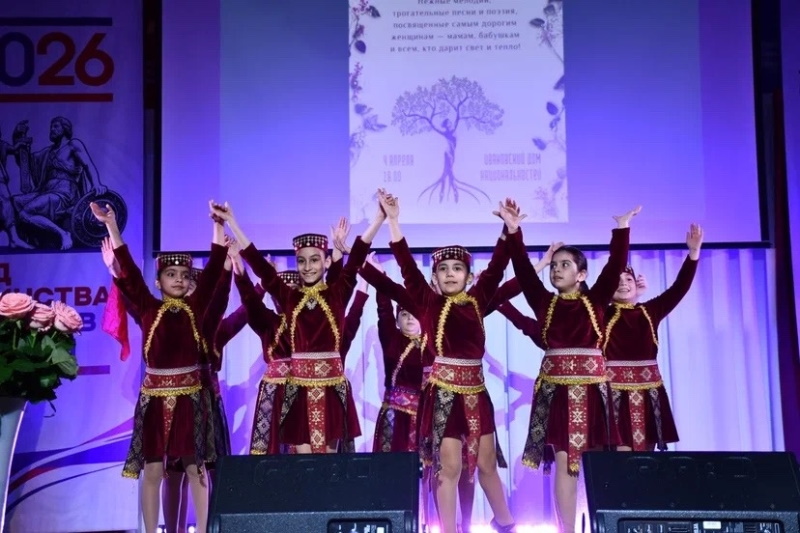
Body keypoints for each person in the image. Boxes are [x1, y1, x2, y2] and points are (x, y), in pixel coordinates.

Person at [377, 190, 520, 533]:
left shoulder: (477, 299)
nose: (451, 274)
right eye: (443, 269)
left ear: (469, 276)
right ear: (435, 277)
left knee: (486, 465)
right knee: (449, 468)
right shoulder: (428, 303)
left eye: (458, 268)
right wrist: (393, 221)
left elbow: (498, 267)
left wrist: (509, 230)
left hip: (476, 393)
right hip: (443, 395)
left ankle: (505, 524)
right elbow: (407, 267)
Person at [91, 200, 226, 533]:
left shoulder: (197, 306)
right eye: (171, 274)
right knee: (153, 470)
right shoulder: (148, 307)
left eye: (184, 275)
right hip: (154, 400)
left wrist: (218, 224)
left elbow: (214, 269)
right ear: (158, 280)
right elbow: (129, 272)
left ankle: (204, 530)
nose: (179, 280)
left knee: (195, 468)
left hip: (191, 400)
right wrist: (112, 226)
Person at [210, 198, 385, 453]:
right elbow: (261, 268)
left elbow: (356, 258)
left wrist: (379, 219)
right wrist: (233, 223)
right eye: (301, 261)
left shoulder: (337, 293)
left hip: (331, 388)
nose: (307, 267)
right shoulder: (289, 297)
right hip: (299, 390)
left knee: (328, 466)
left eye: (314, 260)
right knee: (303, 465)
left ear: (326, 262)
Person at [507, 205, 641, 533]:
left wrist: (622, 228)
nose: (556, 270)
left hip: (594, 393)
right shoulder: (544, 302)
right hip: (557, 394)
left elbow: (614, 266)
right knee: (566, 462)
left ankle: (606, 526)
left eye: (564, 265)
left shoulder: (595, 300)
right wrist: (513, 231)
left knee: (599, 462)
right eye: (554, 265)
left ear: (581, 274)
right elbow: (523, 270)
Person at [605, 224, 702, 451]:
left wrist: (693, 253)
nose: (623, 283)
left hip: (647, 390)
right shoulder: (600, 313)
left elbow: (679, 289)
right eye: (617, 280)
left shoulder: (649, 311)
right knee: (617, 455)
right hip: (612, 392)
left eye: (628, 280)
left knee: (644, 456)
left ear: (637, 283)